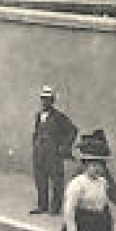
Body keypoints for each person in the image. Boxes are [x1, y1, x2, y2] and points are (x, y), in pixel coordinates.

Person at [31, 85, 79, 215]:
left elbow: (73, 130)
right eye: (43, 99)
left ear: (52, 101)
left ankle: (55, 208)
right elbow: (37, 131)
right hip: (39, 152)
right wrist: (35, 143)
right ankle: (42, 206)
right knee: (40, 179)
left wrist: (64, 146)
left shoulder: (59, 117)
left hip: (53, 153)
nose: (45, 102)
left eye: (48, 99)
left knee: (56, 180)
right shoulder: (38, 116)